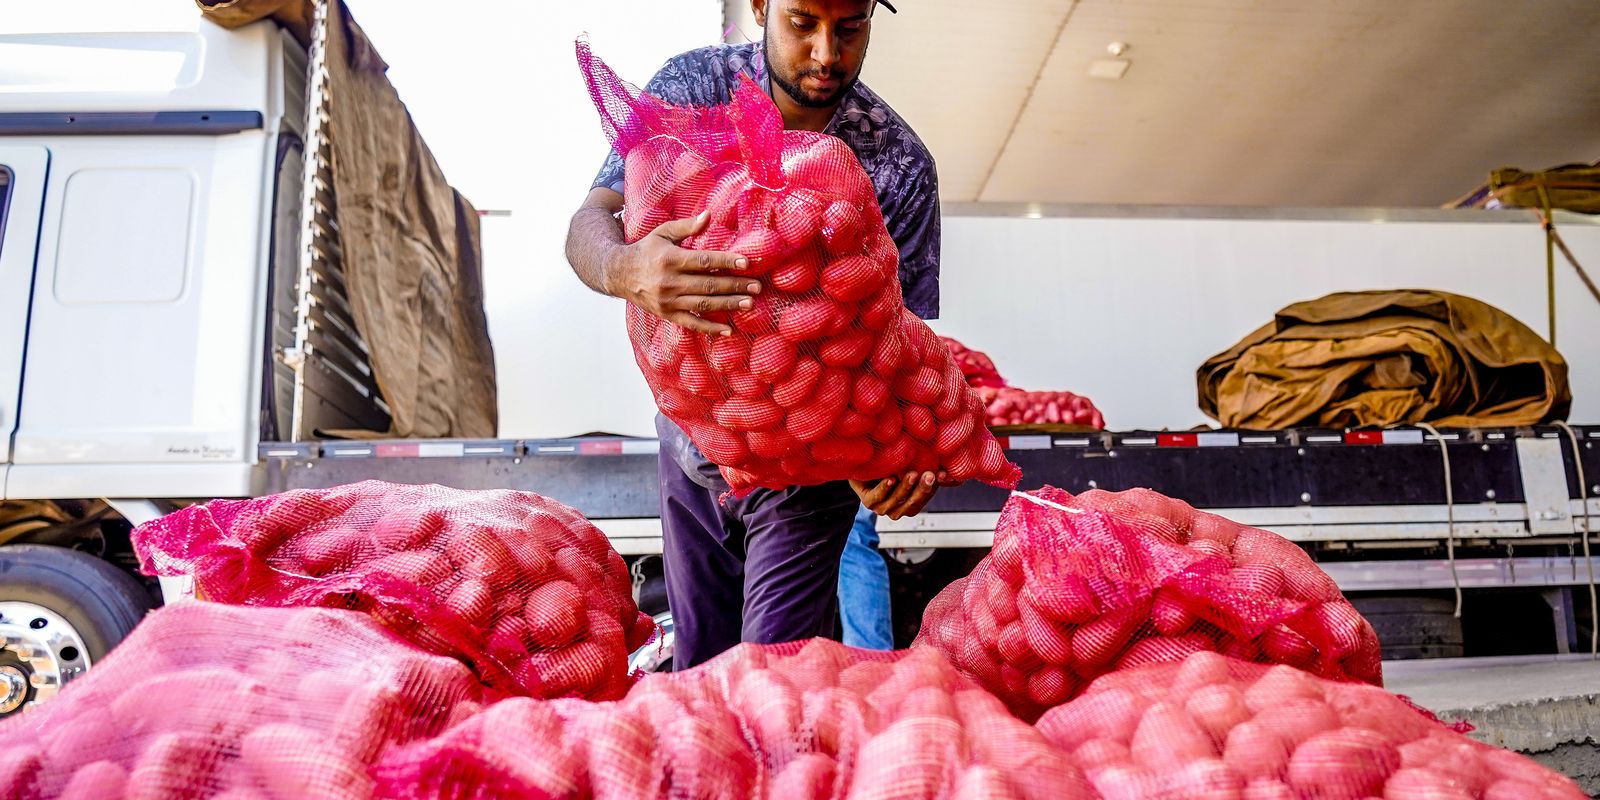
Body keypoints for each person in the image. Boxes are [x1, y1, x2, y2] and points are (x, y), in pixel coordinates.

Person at [566, 0, 942, 669]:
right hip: (690, 451)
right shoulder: (692, 90)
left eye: (850, 28)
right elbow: (590, 221)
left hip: (807, 473)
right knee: (701, 672)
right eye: (803, 22)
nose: (827, 53)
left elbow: (897, 352)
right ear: (762, 6)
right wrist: (628, 267)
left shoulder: (900, 166)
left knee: (773, 679)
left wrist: (891, 455)